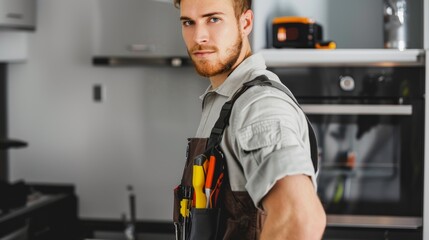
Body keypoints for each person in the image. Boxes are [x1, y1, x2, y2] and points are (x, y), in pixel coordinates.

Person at [174, 0, 326, 239]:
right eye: (188, 22)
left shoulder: (258, 105)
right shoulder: (223, 98)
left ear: (245, 23)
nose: (199, 36)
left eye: (213, 19)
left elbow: (300, 219)